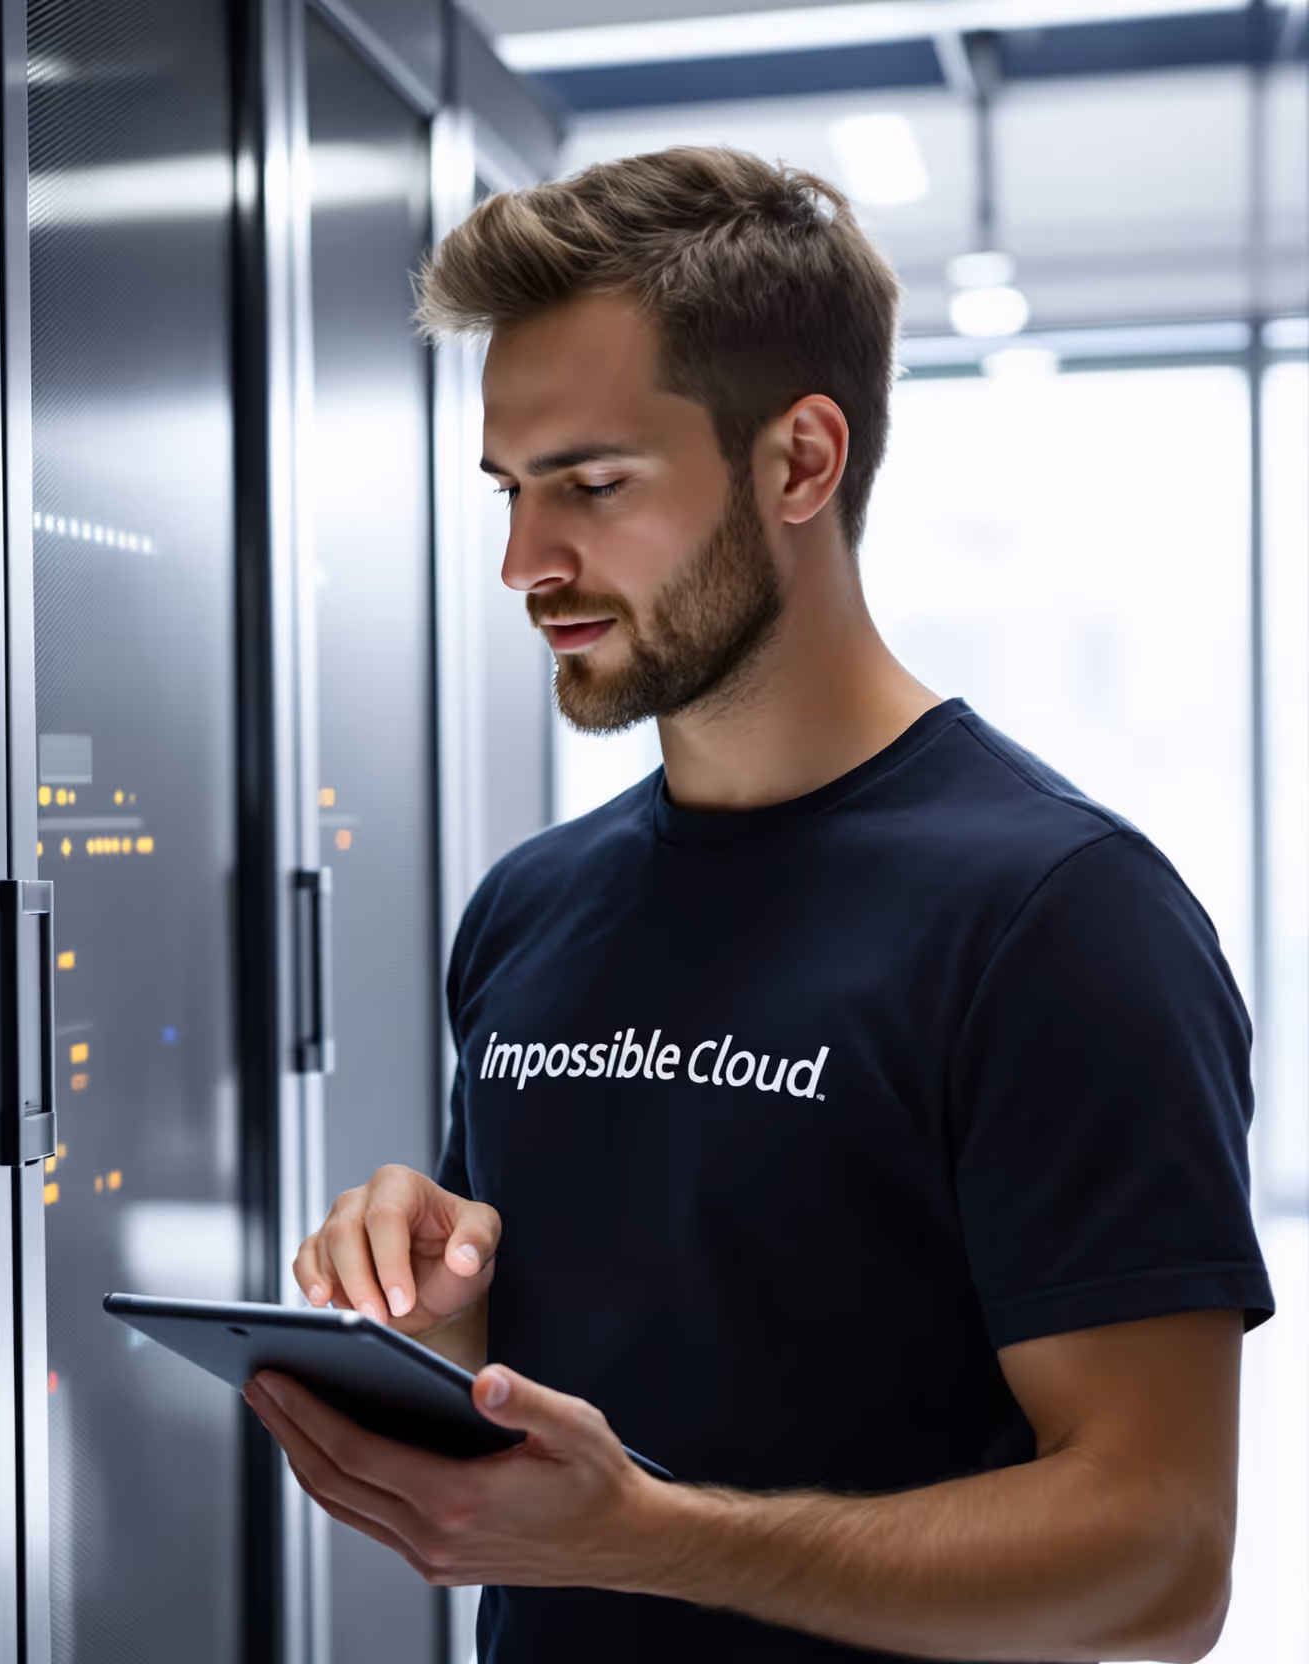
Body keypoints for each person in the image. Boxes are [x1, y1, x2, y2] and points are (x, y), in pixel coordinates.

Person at [255, 147, 1274, 1664]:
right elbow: (574, 1373)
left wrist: (648, 1543)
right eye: (512, 492)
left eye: (592, 485)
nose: (528, 563)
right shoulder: (532, 908)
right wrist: (433, 1309)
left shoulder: (1060, 917)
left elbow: (1160, 1559)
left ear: (800, 461)